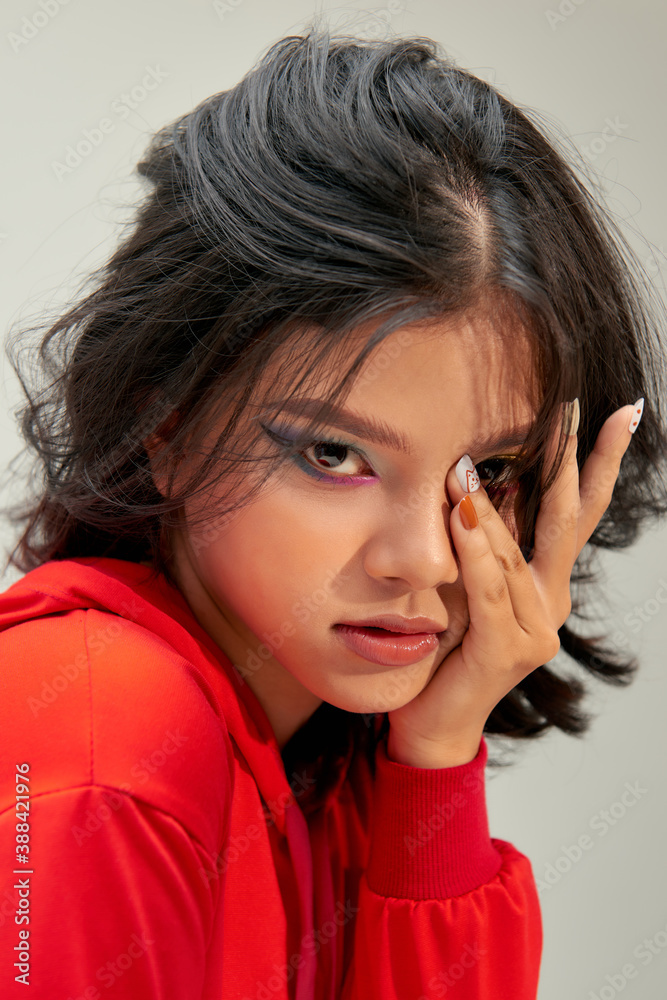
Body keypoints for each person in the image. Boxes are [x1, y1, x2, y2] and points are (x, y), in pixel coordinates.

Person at [1, 23, 666, 1000]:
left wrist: (438, 757)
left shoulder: (324, 761)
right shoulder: (106, 737)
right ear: (164, 423)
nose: (426, 561)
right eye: (334, 453)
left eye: (492, 469)